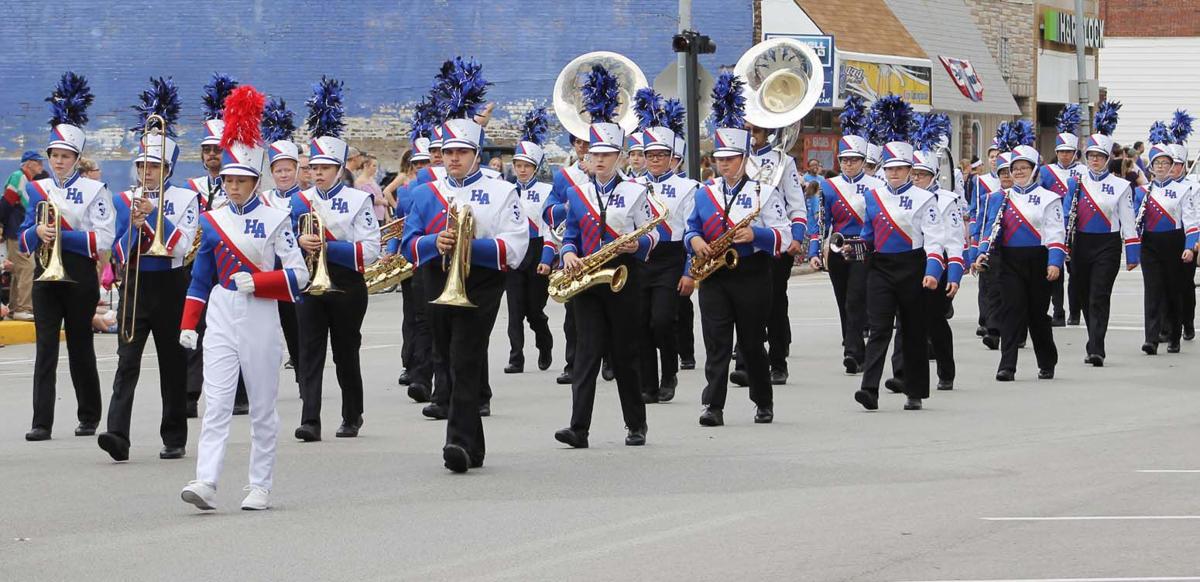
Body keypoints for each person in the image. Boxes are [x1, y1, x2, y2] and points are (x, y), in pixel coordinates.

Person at [179, 85, 308, 511]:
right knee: (214, 403)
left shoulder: (277, 219)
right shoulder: (212, 221)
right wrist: (187, 325)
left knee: (262, 406)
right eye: (228, 180)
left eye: (240, 180)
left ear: (255, 181)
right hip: (221, 314)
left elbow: (300, 276)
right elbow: (200, 280)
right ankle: (205, 480)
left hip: (260, 314)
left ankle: (260, 485)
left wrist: (264, 283)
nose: (232, 186)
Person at [401, 57, 527, 472]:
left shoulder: (501, 190)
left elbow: (516, 245)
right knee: (447, 357)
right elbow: (407, 244)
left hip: (483, 280)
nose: (452, 159)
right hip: (438, 278)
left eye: (460, 153)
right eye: (446, 152)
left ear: (476, 154)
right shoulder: (424, 193)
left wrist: (474, 245)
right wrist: (433, 242)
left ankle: (455, 444)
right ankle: (474, 445)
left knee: (465, 356)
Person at [552, 64, 657, 449]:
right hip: (586, 279)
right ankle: (579, 428)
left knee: (625, 353)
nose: (598, 160)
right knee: (586, 354)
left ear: (619, 156)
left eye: (606, 154)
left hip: (623, 276)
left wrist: (637, 245)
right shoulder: (576, 193)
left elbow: (653, 234)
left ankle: (636, 424)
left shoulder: (634, 191)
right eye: (594, 153)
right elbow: (572, 234)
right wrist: (567, 254)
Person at [98, 78, 198, 462]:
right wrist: (136, 228)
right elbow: (117, 252)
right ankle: (116, 433)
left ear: (167, 168)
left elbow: (183, 246)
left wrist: (154, 216)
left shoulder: (186, 198)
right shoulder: (124, 200)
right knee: (127, 360)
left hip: (172, 282)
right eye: (142, 165)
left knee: (173, 364)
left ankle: (174, 436)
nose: (146, 172)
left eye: (154, 166)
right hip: (136, 283)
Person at [684, 72, 791, 426]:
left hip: (751, 274)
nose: (724, 164)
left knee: (749, 342)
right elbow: (692, 228)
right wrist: (695, 242)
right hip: (714, 274)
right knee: (716, 343)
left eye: (731, 159)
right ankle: (712, 406)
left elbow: (784, 233)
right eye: (720, 158)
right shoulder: (705, 192)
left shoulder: (762, 192)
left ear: (744, 159)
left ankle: (763, 400)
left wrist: (755, 237)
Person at [19, 73, 115, 442]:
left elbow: (102, 238)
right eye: (54, 156)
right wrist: (36, 234)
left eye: (65, 156)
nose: (58, 161)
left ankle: (89, 415)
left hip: (78, 275)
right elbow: (25, 236)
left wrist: (63, 236)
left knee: (79, 345)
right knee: (45, 349)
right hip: (46, 273)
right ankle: (41, 421)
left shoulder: (94, 190)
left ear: (76, 159)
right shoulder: (37, 188)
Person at [292, 77, 381, 442]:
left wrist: (327, 245)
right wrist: (300, 240)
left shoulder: (359, 200)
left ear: (339, 169)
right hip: (309, 283)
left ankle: (351, 414)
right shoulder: (298, 201)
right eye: (314, 168)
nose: (318, 174)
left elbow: (370, 251)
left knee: (346, 351)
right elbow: (282, 244)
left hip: (345, 282)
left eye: (325, 169)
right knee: (309, 352)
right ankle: (310, 419)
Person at [852, 96, 945, 412]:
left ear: (909, 169)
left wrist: (933, 270)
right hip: (881, 268)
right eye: (889, 167)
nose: (894, 172)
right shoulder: (873, 197)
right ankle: (869, 389)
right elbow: (867, 235)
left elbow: (934, 239)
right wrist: (852, 249)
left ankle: (914, 391)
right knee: (878, 328)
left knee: (913, 331)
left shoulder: (924, 198)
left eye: (901, 168)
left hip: (913, 267)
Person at [976, 135, 1064, 382]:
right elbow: (989, 230)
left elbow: (1056, 231)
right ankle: (1007, 365)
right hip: (1008, 261)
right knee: (1011, 311)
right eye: (1015, 168)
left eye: (1024, 168)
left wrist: (1054, 262)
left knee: (1037, 315)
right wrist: (981, 252)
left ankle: (1047, 361)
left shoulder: (1049, 198)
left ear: (1035, 170)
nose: (1018, 172)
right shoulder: (998, 198)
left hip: (1038, 259)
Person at [185, 73, 248, 418]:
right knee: (194, 327)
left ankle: (239, 393)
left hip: (229, 262)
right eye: (207, 150)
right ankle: (191, 394)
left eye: (217, 149)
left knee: (234, 327)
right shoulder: (191, 186)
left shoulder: (238, 184)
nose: (212, 155)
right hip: (198, 263)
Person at [889, 118, 965, 392]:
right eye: (914, 174)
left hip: (936, 266)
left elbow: (955, 242)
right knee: (904, 322)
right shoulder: (899, 198)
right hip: (908, 266)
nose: (916, 179)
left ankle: (946, 370)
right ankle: (902, 374)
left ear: (934, 176)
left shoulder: (946, 201)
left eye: (921, 175)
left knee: (934, 323)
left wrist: (954, 275)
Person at [807, 94, 882, 374]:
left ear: (863, 161)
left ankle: (853, 351)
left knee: (855, 297)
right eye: (845, 160)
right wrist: (815, 252)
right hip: (838, 247)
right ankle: (851, 341)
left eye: (854, 160)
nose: (849, 165)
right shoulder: (829, 186)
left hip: (864, 247)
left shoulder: (876, 185)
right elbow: (820, 220)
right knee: (843, 299)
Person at [633, 90, 698, 403]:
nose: (655, 160)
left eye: (660, 155)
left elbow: (691, 230)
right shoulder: (631, 186)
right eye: (650, 155)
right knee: (641, 322)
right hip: (639, 257)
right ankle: (647, 382)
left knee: (662, 320)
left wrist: (689, 271)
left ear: (672, 157)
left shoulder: (689, 187)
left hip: (672, 256)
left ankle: (669, 371)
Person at [1062, 102, 1136, 366]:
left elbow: (1128, 219)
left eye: (1099, 156)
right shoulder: (1075, 182)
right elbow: (1064, 215)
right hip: (1081, 243)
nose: (1094, 160)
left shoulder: (1120, 186)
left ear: (1107, 159)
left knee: (1099, 295)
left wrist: (1133, 251)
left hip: (1107, 245)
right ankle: (1092, 339)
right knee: (1082, 294)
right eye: (1091, 156)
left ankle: (1097, 348)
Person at [1129, 131, 1197, 355]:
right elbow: (1135, 222)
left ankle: (1175, 335)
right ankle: (1151, 338)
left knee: (1173, 291)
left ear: (1171, 166)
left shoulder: (1183, 189)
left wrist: (1189, 246)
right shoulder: (1143, 191)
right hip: (1150, 244)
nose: (1160, 166)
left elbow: (1190, 221)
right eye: (1156, 162)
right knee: (1153, 290)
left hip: (1174, 241)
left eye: (1165, 163)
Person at [504, 107, 554, 374]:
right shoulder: (506, 190)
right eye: (518, 165)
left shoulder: (547, 191)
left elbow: (550, 228)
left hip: (537, 250)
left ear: (535, 168)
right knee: (514, 311)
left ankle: (544, 343)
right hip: (514, 251)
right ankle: (516, 357)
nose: (521, 170)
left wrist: (547, 257)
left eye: (526, 166)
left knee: (534, 310)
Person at [541, 133, 591, 385]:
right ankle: (573, 363)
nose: (583, 147)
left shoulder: (620, 177)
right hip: (574, 249)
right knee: (573, 313)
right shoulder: (565, 177)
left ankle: (611, 361)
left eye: (589, 142)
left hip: (607, 250)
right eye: (579, 142)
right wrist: (568, 208)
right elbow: (549, 211)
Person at [260, 97, 302, 374]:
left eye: (288, 169)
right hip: (267, 270)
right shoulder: (262, 198)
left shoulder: (306, 198)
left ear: (297, 170)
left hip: (294, 270)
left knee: (295, 325)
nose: (283, 174)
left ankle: (301, 366)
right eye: (279, 170)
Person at [1041, 104, 1084, 327]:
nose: (1065, 155)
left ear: (1075, 153)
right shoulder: (1046, 172)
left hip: (1078, 228)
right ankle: (1058, 311)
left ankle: (1075, 312)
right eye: (1061, 152)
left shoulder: (1084, 172)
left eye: (1069, 152)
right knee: (1054, 269)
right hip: (1054, 226)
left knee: (1076, 272)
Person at [969, 132, 1006, 348]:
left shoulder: (1014, 179)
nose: (994, 158)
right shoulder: (981, 181)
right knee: (986, 282)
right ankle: (986, 321)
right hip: (986, 235)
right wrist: (975, 236)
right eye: (991, 155)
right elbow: (976, 210)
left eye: (998, 155)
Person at [1, 151, 43, 322]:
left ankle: (15, 307)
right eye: (38, 162)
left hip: (21, 230)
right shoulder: (18, 177)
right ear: (28, 163)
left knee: (20, 270)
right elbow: (6, 203)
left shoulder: (28, 181)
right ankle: (23, 307)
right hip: (16, 230)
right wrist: (2, 225)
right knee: (27, 267)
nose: (42, 165)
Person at [1169, 110, 1198, 340]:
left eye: (1176, 164)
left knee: (1184, 285)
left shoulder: (1193, 186)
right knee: (1166, 285)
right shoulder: (1158, 185)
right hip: (1167, 239)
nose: (1171, 168)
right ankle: (1169, 325)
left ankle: (1187, 322)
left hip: (1189, 238)